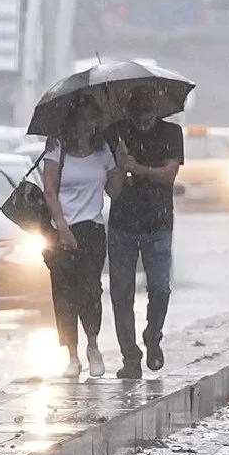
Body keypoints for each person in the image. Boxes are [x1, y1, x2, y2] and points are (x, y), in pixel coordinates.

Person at [42, 97, 126, 379]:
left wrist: (121, 164)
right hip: (61, 230)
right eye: (82, 120)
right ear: (72, 122)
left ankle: (93, 345)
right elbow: (50, 190)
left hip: (91, 229)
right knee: (63, 293)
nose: (86, 126)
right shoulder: (56, 149)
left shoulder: (104, 153)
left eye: (92, 120)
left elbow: (114, 191)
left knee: (90, 290)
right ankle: (72, 355)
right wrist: (62, 227)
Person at [107, 89, 184, 379]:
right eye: (137, 106)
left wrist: (136, 167)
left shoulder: (171, 133)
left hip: (158, 224)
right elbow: (112, 188)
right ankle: (130, 356)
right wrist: (119, 164)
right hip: (122, 225)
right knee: (120, 294)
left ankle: (153, 336)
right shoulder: (116, 134)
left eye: (149, 105)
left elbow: (168, 174)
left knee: (160, 288)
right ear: (129, 107)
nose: (143, 112)